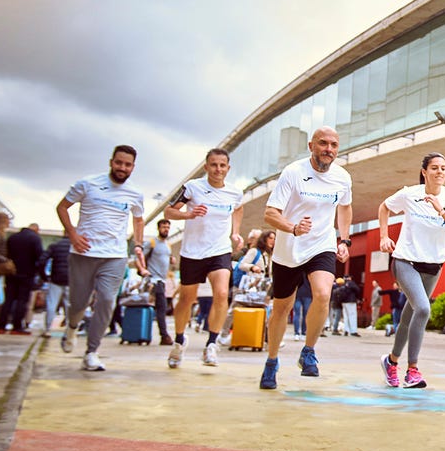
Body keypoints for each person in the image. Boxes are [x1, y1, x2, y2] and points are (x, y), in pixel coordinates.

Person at [259, 126, 352, 390]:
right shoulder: (294, 173)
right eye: (323, 144)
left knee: (323, 294)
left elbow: (345, 207)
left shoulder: (343, 177)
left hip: (321, 245)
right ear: (311, 146)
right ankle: (272, 360)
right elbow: (270, 213)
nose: (329, 149)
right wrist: (293, 228)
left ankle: (308, 351)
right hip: (289, 249)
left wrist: (343, 240)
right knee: (281, 309)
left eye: (334, 145)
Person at [378, 152, 445, 389]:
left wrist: (442, 212)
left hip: (433, 266)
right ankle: (413, 371)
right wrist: (384, 237)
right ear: (424, 172)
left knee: (410, 317)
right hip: (405, 261)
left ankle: (391, 361)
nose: (440, 172)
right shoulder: (410, 194)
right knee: (423, 308)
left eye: (443, 168)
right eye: (435, 168)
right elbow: (384, 207)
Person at [56, 145, 147, 371]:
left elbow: (138, 219)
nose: (122, 168)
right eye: (119, 163)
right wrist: (73, 234)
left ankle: (92, 352)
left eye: (127, 165)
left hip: (114, 256)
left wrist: (137, 245)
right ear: (111, 162)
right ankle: (72, 327)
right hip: (83, 253)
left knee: (107, 300)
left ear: (133, 167)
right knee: (79, 302)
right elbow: (62, 207)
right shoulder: (87, 183)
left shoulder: (135, 193)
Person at [164, 149, 244, 368]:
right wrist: (187, 215)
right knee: (186, 300)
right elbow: (169, 212)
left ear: (228, 168)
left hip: (219, 250)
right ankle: (179, 341)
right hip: (192, 252)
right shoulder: (192, 187)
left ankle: (211, 344)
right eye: (213, 165)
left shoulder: (235, 192)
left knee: (221, 294)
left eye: (222, 165)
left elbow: (238, 209)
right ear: (206, 166)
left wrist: (235, 232)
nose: (218, 169)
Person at [0, 223, 44, 334]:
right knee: (22, 300)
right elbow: (40, 257)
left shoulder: (13, 237)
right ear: (36, 230)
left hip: (11, 272)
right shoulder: (35, 238)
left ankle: (1, 326)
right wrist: (41, 274)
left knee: (8, 299)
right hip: (27, 273)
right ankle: (17, 327)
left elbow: (6, 253)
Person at [140, 219, 175, 345]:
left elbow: (165, 259)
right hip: (153, 279)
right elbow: (140, 256)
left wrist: (171, 259)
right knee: (162, 307)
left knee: (160, 307)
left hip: (162, 280)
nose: (166, 229)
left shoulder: (168, 245)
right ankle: (164, 336)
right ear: (158, 228)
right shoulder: (152, 242)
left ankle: (161, 335)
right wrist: (143, 270)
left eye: (167, 227)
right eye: (163, 227)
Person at [38, 231, 72, 338]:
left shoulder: (55, 245)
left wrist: (44, 276)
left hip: (56, 278)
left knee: (51, 303)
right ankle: (69, 331)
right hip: (71, 280)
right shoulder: (76, 247)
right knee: (69, 306)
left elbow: (42, 261)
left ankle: (48, 329)